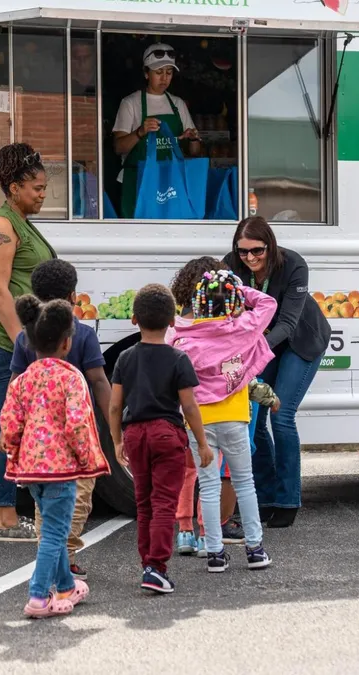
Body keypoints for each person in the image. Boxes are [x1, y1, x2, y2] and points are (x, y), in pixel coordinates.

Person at [0, 295, 110, 618]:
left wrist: (15, 448)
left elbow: (10, 422)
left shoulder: (23, 380)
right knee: (54, 535)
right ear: (66, 343)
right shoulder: (71, 377)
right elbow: (77, 423)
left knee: (53, 531)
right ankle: (37, 596)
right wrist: (88, 457)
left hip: (31, 472)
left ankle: (65, 587)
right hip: (62, 472)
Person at [223, 216, 332, 528]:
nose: (250, 258)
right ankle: (265, 496)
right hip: (263, 344)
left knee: (280, 415)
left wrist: (253, 349)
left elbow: (287, 323)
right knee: (252, 418)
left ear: (269, 245)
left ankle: (287, 500)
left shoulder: (294, 264)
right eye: (243, 252)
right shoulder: (230, 265)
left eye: (257, 251)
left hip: (301, 341)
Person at [0, 142, 57, 542]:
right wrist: (21, 340)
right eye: (36, 188)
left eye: (43, 187)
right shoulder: (2, 227)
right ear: (13, 188)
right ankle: (5, 516)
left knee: (21, 419)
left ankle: (21, 505)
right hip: (4, 337)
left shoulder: (20, 221)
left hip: (24, 336)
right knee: (10, 422)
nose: (43, 194)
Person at [108, 283, 213, 594]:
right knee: (164, 502)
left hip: (135, 433)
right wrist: (203, 443)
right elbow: (190, 406)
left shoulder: (125, 358)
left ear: (134, 320)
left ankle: (147, 565)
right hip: (167, 433)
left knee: (144, 502)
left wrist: (116, 440)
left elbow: (115, 405)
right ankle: (156, 567)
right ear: (172, 322)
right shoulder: (178, 359)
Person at [170, 269, 278, 572]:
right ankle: (255, 549)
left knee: (208, 486)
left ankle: (215, 553)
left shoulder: (184, 335)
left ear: (198, 300)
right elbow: (268, 304)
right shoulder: (242, 329)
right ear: (233, 299)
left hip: (199, 423)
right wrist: (240, 290)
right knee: (245, 484)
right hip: (234, 418)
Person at [111, 42, 202, 219]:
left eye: (169, 73)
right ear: (146, 73)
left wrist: (192, 139)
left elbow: (195, 152)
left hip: (171, 183)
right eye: (158, 72)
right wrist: (140, 132)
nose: (164, 78)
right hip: (139, 182)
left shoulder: (177, 104)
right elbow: (118, 147)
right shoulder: (131, 103)